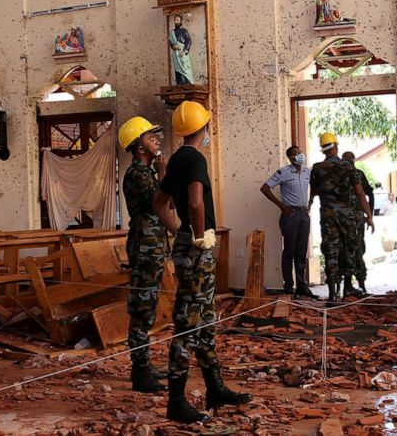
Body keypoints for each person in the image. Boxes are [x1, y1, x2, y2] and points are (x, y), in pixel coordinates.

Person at [154, 101, 251, 424]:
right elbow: (195, 202)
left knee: (205, 319)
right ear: (204, 128)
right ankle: (176, 401)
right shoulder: (194, 159)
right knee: (187, 323)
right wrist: (196, 234)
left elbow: (160, 202)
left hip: (187, 244)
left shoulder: (178, 158)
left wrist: (178, 230)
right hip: (197, 249)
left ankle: (215, 388)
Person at [119, 116, 177, 394]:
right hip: (144, 247)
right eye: (150, 136)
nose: (157, 138)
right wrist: (165, 175)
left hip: (152, 246)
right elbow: (161, 203)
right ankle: (140, 371)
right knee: (142, 310)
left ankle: (144, 364)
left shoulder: (148, 172)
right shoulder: (137, 174)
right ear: (138, 146)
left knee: (149, 307)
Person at [308, 133, 373, 305]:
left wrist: (308, 204)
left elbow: (313, 192)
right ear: (336, 146)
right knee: (349, 250)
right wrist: (369, 215)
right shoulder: (348, 167)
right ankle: (347, 288)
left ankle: (332, 294)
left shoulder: (317, 168)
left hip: (328, 216)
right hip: (347, 217)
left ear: (323, 149)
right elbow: (360, 192)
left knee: (331, 251)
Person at [259, 146, 314, 299]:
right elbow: (264, 188)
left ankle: (302, 286)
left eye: (300, 152)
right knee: (289, 251)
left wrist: (311, 200)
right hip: (290, 214)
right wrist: (281, 206)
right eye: (297, 153)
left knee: (301, 251)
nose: (300, 155)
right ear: (291, 158)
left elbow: (314, 185)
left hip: (303, 213)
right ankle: (289, 287)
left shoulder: (307, 171)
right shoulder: (284, 172)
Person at [341, 151, 375, 297]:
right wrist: (370, 215)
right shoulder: (357, 173)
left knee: (343, 250)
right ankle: (361, 284)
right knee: (358, 249)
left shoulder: (337, 174)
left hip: (340, 219)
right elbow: (368, 194)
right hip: (356, 218)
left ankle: (341, 287)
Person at [169, 14, 194, 85]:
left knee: (185, 68)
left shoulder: (184, 31)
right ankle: (179, 83)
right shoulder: (172, 32)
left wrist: (185, 51)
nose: (176, 22)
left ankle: (187, 82)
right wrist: (173, 46)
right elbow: (170, 42)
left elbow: (189, 41)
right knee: (177, 69)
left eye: (177, 20)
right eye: (175, 20)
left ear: (181, 21)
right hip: (175, 54)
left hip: (182, 54)